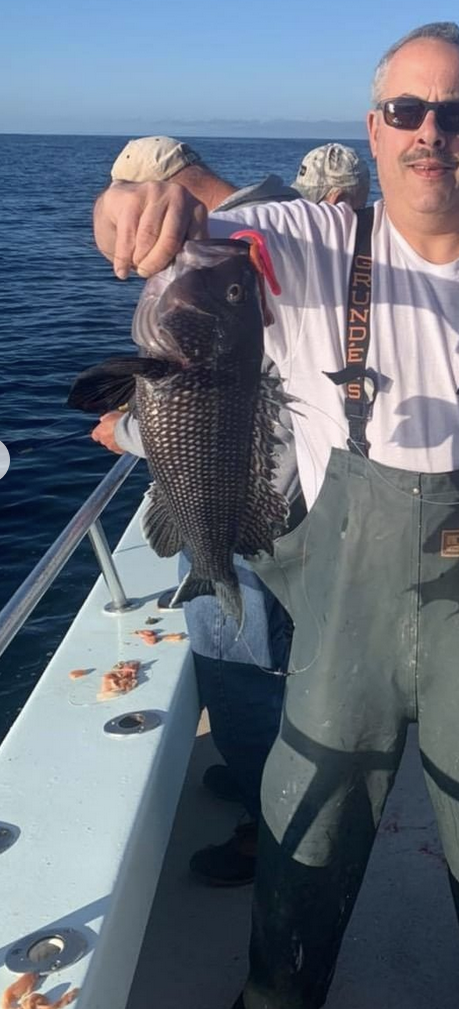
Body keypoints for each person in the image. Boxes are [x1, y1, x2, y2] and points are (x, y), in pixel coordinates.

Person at [93, 22, 459, 1009]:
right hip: (344, 629)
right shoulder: (309, 237)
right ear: (372, 133)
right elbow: (168, 203)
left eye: (455, 113)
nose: (431, 131)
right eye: (406, 111)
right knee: (304, 841)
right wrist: (127, 199)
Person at [93, 135, 370, 887]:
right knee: (258, 667)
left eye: (137, 203)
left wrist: (126, 428)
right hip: (275, 498)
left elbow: (243, 405)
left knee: (244, 675)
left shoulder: (248, 251)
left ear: (165, 187)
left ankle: (264, 824)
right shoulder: (274, 220)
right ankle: (258, 778)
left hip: (252, 509)